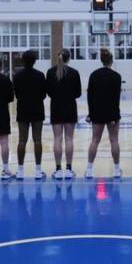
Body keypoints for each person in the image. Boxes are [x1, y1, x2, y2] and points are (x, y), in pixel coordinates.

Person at [86, 48, 122, 179]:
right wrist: (113, 116)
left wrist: (90, 114)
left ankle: (89, 169)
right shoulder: (117, 76)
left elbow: (90, 96)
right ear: (111, 61)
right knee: (114, 140)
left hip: (97, 113)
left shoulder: (93, 75)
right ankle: (117, 170)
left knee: (94, 140)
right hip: (112, 113)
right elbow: (115, 98)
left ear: (101, 60)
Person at [46, 49, 82, 179]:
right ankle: (68, 169)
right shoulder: (74, 73)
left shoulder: (50, 72)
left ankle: (58, 169)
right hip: (70, 107)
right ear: (69, 58)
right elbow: (78, 93)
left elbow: (48, 92)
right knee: (68, 139)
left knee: (57, 139)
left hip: (55, 107)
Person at [13, 50, 47, 180]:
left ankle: (20, 171)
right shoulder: (40, 75)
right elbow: (44, 94)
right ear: (35, 61)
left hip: (23, 109)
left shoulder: (17, 75)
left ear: (23, 60)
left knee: (22, 139)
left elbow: (16, 94)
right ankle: (38, 171)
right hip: (37, 108)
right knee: (37, 139)